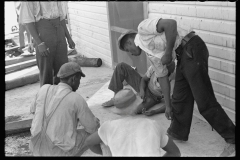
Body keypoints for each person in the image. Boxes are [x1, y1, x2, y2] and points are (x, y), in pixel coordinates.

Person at [118, 17, 235, 157]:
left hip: (192, 47)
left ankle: (232, 138)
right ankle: (177, 132)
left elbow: (170, 24)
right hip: (183, 56)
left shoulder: (143, 29)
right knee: (180, 97)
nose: (130, 53)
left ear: (130, 42)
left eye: (127, 49)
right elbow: (162, 77)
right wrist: (167, 106)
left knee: (204, 102)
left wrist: (168, 53)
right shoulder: (151, 54)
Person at [29, 62, 102, 156]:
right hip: (57, 153)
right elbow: (92, 127)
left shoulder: (44, 88)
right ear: (73, 79)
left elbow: (33, 111)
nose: (79, 83)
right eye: (79, 79)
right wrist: (96, 122)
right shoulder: (76, 98)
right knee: (93, 134)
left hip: (36, 147)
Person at [19, 2, 75, 86]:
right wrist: (39, 43)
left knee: (63, 70)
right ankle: (46, 96)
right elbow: (28, 22)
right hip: (43, 33)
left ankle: (61, 96)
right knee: (46, 71)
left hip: (59, 31)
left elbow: (61, 18)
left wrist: (68, 38)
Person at [102, 60, 175, 115]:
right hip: (145, 85)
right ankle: (116, 99)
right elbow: (144, 79)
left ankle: (129, 101)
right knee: (121, 66)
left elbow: (170, 103)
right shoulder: (156, 67)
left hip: (153, 97)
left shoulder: (172, 80)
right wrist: (142, 89)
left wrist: (155, 111)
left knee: (135, 111)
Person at [82, 116, 181, 157]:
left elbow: (89, 142)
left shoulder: (109, 126)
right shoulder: (153, 124)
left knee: (104, 142)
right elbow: (175, 153)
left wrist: (109, 153)